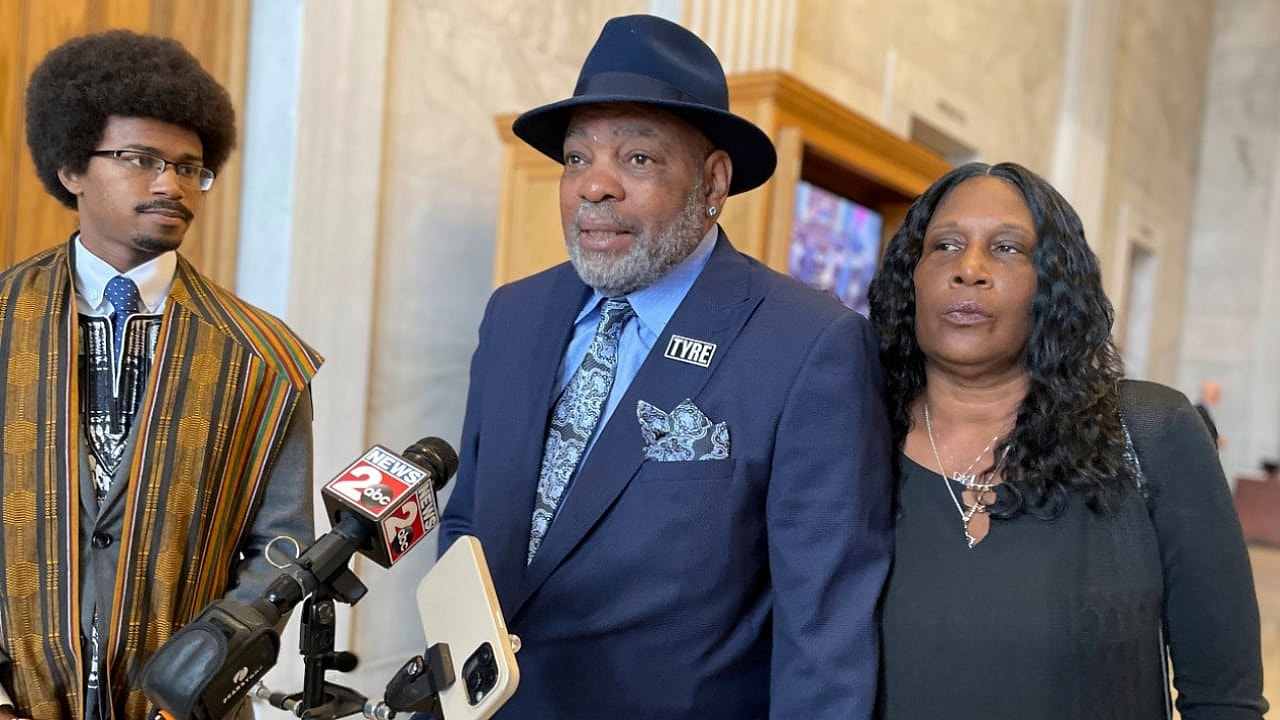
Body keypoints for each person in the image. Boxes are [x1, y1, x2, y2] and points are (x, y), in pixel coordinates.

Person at [436, 14, 892, 720]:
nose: (596, 187)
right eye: (578, 158)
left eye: (638, 159)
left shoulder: (808, 345)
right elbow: (468, 522)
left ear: (713, 180)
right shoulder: (514, 315)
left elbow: (823, 631)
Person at [867, 161, 1266, 719]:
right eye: (945, 246)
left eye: (1006, 248)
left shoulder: (1153, 432)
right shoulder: (851, 436)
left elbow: (1224, 698)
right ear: (912, 276)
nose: (969, 269)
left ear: (1054, 282)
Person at [0, 30, 322, 720]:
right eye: (140, 159)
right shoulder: (1, 321)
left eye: (188, 167)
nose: (169, 184)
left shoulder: (264, 357)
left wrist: (201, 678)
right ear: (72, 168)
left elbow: (281, 551)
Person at [1196, 377, 1225, 448]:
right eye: (1217, 392)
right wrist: (1216, 441)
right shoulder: (1198, 411)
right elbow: (1201, 435)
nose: (1219, 395)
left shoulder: (1208, 410)